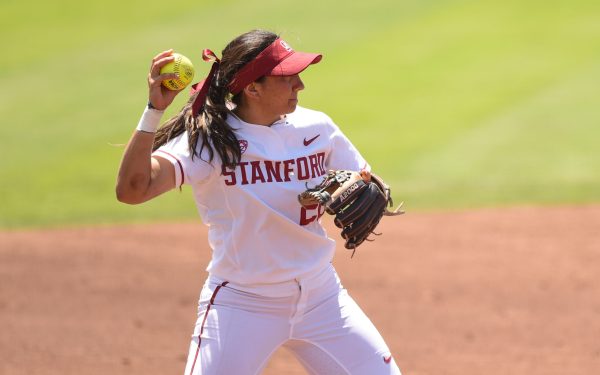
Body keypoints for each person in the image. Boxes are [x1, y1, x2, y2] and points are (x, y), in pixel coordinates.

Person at [116, 29, 402, 375]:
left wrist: (367, 189)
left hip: (322, 297)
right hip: (243, 304)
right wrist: (153, 111)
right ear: (252, 88)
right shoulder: (210, 143)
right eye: (287, 77)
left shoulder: (317, 127)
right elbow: (132, 190)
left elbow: (366, 181)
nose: (300, 85)